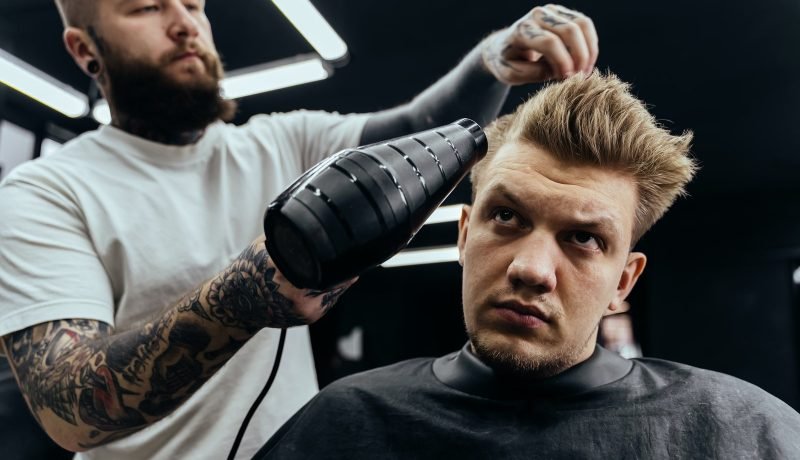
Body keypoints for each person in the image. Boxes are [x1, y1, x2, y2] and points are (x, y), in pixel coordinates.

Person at [0, 1, 600, 458]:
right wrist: (244, 295)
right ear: (85, 50)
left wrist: (493, 59)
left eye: (194, 5)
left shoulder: (279, 142)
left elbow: (417, 133)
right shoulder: (45, 191)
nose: (184, 23)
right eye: (146, 7)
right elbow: (67, 404)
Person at [256, 72, 800, 459]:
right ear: (465, 235)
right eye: (508, 217)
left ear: (624, 282)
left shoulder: (744, 433)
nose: (533, 270)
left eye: (584, 238)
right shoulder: (344, 422)